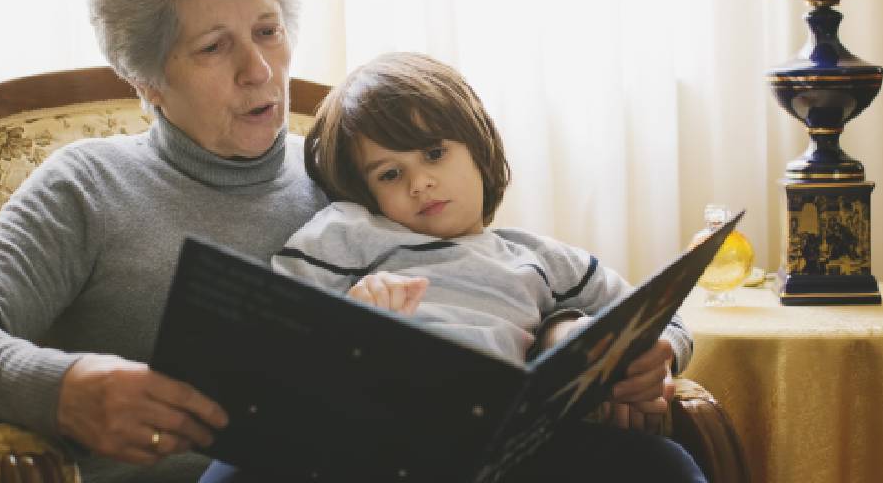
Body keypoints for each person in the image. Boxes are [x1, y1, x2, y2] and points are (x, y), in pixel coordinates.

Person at [0, 0, 331, 482]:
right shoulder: (89, 187)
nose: (258, 71)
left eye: (268, 31)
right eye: (213, 46)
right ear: (147, 80)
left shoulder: (344, 172)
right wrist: (66, 391)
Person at [199, 52, 706, 482]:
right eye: (391, 173)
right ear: (366, 191)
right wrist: (343, 322)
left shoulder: (540, 258)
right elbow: (267, 336)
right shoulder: (346, 232)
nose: (420, 183)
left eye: (435, 153)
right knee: (239, 466)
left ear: (478, 150)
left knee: (663, 464)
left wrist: (655, 356)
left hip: (498, 449)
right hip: (363, 440)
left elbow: (663, 315)